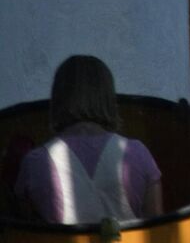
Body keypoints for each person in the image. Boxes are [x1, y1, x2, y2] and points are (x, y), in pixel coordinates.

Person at [12, 55, 163, 226]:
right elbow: (157, 229)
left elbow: (22, 230)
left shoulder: (34, 162)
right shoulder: (137, 153)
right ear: (107, 98)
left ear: (59, 98)